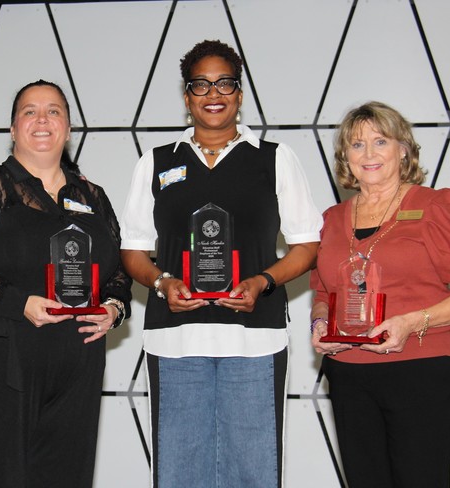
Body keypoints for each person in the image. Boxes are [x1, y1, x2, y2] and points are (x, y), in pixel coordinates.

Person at [120, 40, 322, 487]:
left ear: (240, 92)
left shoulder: (275, 159)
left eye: (224, 83)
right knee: (178, 473)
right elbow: (132, 251)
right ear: (187, 96)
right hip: (175, 341)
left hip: (256, 339)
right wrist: (162, 284)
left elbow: (307, 245)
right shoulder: (155, 162)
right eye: (201, 85)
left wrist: (263, 282)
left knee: (253, 472)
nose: (214, 94)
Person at [0, 79, 132, 488]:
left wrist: (114, 309)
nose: (42, 119)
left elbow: (116, 267)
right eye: (30, 111)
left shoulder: (92, 195)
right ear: (13, 129)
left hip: (76, 365)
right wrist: (16, 301)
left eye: (54, 111)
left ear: (68, 127)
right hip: (2, 359)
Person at [309, 101, 450, 487]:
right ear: (345, 156)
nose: (369, 154)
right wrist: (320, 321)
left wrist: (412, 322)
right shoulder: (331, 218)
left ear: (403, 149)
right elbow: (323, 289)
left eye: (380, 141)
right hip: (348, 375)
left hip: (418, 372)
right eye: (357, 145)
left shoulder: (436, 207)